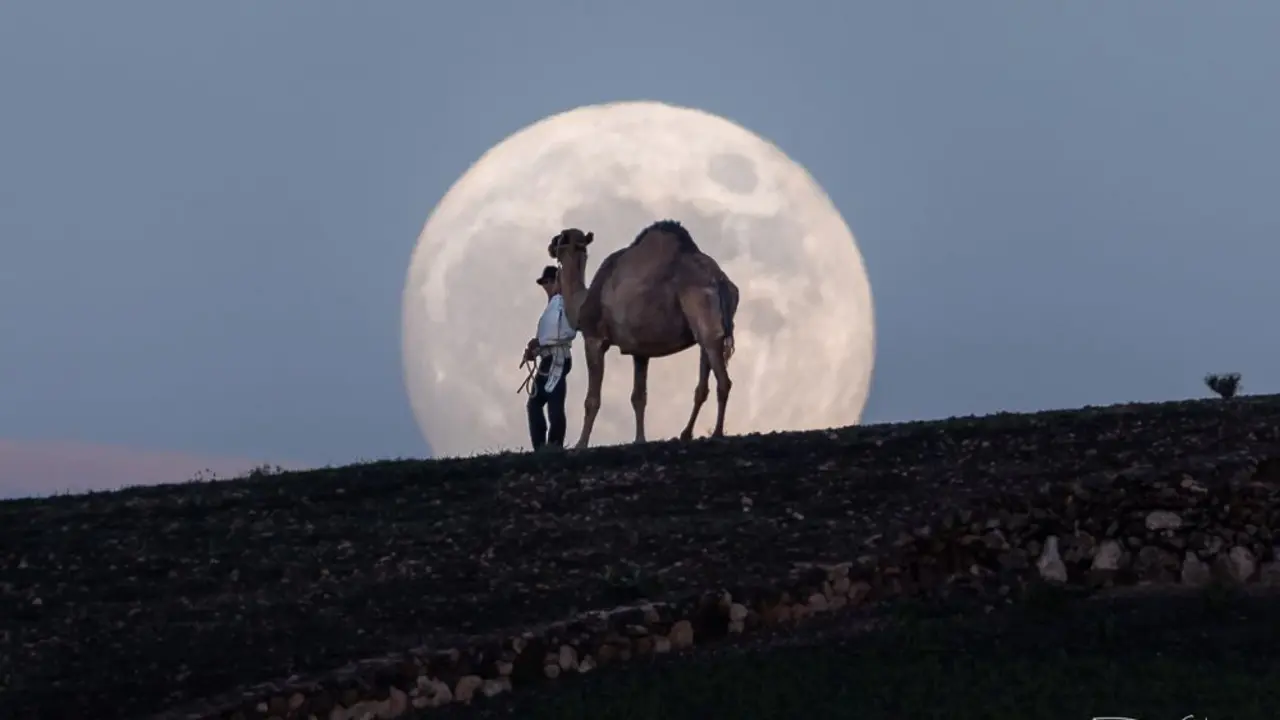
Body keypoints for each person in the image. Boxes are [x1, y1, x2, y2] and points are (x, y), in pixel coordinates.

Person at [523, 265, 577, 450]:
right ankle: (542, 448)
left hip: (557, 359)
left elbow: (568, 332)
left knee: (553, 404)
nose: (546, 285)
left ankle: (554, 446)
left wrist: (540, 344)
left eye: (549, 281)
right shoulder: (551, 308)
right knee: (535, 404)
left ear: (557, 282)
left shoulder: (564, 303)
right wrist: (535, 350)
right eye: (544, 282)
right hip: (548, 359)